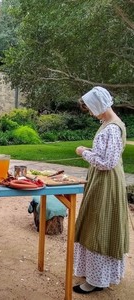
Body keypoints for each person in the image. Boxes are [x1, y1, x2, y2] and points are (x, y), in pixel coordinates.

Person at [73, 86, 129, 294]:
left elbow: (107, 162)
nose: (90, 112)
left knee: (99, 226)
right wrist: (90, 151)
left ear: (97, 105)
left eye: (90, 108)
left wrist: (82, 152)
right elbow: (105, 155)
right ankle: (95, 273)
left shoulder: (113, 128)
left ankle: (97, 280)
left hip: (106, 182)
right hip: (101, 180)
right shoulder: (108, 123)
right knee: (93, 223)